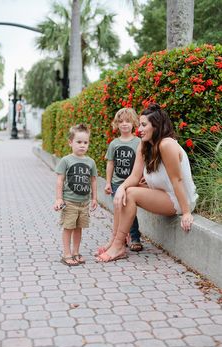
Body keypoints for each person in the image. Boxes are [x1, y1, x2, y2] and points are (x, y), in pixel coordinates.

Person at [95, 103, 198, 263]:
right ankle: (115, 240)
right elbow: (134, 177)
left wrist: (186, 212)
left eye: (144, 125)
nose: (139, 129)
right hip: (162, 195)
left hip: (178, 199)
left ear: (156, 126)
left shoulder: (166, 144)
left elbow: (177, 180)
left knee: (130, 193)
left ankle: (118, 245)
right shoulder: (144, 145)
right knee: (123, 193)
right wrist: (121, 187)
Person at [95, 107, 142, 256]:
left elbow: (143, 163)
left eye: (128, 121)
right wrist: (108, 182)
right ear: (117, 124)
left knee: (130, 211)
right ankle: (119, 238)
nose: (124, 124)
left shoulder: (138, 142)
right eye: (121, 121)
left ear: (134, 123)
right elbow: (110, 164)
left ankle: (135, 238)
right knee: (118, 210)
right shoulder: (114, 144)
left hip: (132, 183)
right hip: (116, 183)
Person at [54, 123, 98, 266]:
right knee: (68, 228)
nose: (82, 145)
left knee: (79, 228)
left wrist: (94, 198)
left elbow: (93, 181)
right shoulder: (66, 160)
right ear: (70, 142)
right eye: (79, 142)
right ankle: (66, 254)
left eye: (85, 142)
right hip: (70, 202)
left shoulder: (90, 162)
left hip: (83, 203)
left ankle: (76, 252)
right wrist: (59, 199)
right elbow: (60, 180)